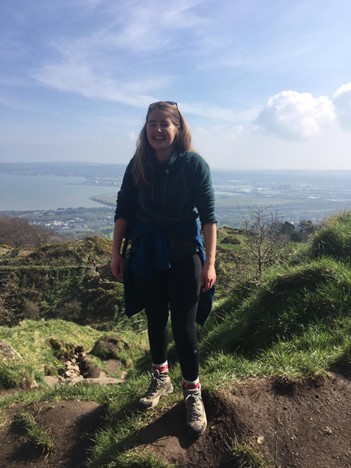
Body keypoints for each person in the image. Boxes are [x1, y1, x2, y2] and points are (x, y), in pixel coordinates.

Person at [111, 101, 217, 437]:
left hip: (184, 252)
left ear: (177, 127)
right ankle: (161, 378)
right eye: (152, 124)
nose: (157, 130)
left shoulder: (193, 164)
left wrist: (210, 264)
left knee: (185, 328)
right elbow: (123, 209)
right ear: (145, 129)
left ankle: (192, 392)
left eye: (164, 124)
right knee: (154, 318)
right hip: (146, 252)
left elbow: (209, 217)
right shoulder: (138, 164)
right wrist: (116, 253)